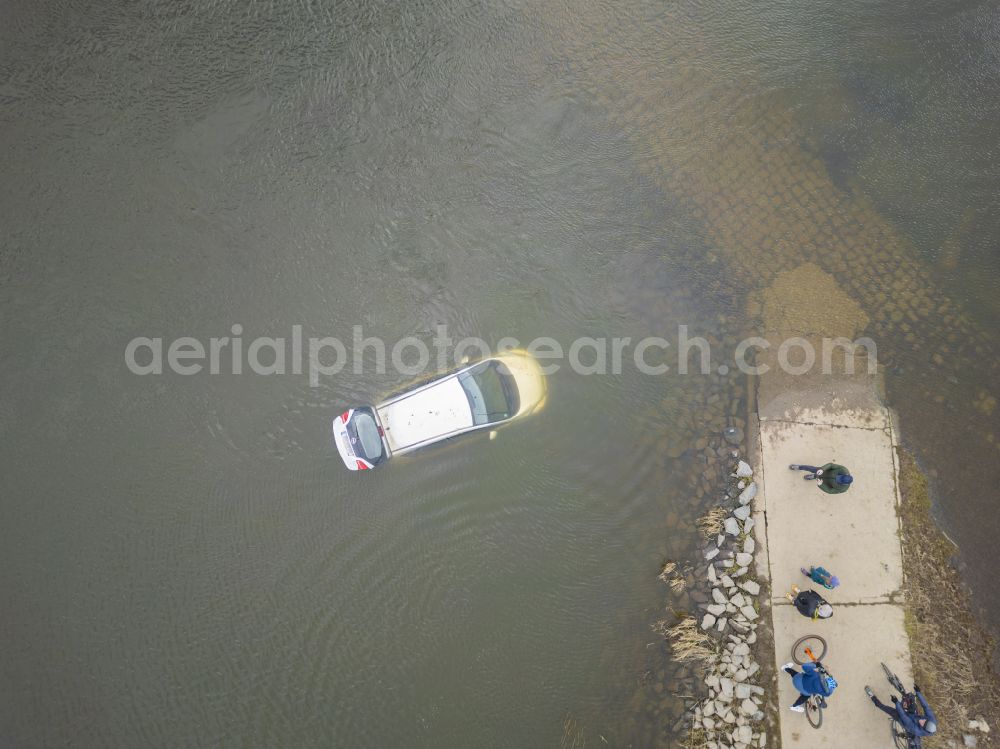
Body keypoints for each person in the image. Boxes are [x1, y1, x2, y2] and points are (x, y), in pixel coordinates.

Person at [864, 683, 938, 737]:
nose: (922, 720)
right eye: (925, 720)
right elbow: (926, 706)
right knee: (910, 699)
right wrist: (918, 693)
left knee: (885, 708)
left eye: (922, 724)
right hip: (914, 716)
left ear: (923, 729)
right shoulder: (932, 720)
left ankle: (872, 696)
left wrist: (896, 703)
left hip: (904, 720)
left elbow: (904, 717)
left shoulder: (916, 730)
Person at [789, 463, 853, 493]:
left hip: (824, 482)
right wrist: (822, 469)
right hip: (823, 471)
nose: (837, 478)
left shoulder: (842, 489)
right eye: (839, 477)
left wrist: (821, 485)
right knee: (810, 468)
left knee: (817, 477)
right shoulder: (843, 469)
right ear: (845, 474)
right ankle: (799, 467)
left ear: (844, 484)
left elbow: (830, 491)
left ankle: (813, 476)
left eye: (839, 480)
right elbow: (831, 465)